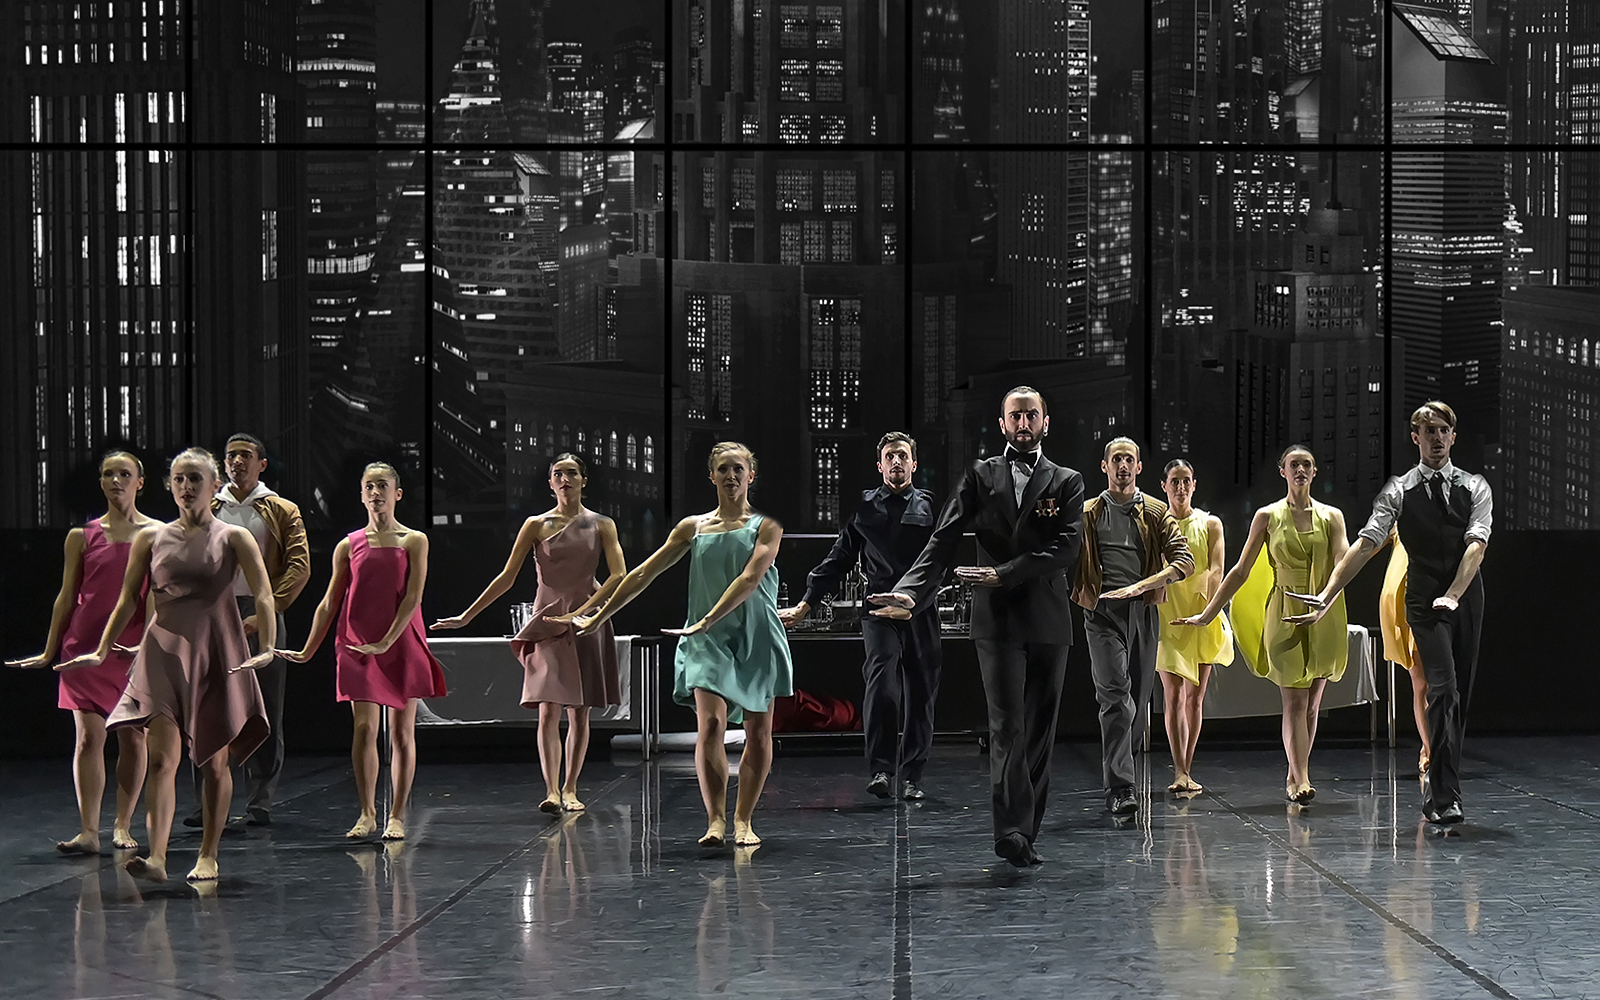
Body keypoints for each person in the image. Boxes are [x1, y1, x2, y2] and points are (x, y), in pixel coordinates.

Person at [869, 387, 1085, 868]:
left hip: (1048, 618)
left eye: (1032, 415)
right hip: (997, 620)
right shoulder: (980, 475)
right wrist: (911, 591)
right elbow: (943, 538)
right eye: (1016, 416)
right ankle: (1010, 831)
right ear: (1002, 423)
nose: (1024, 423)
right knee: (1006, 726)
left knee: (1039, 731)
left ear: (1045, 423)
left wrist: (1004, 572)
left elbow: (1068, 548)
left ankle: (1027, 830)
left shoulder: (1068, 481)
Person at [59, 448, 275, 882]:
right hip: (161, 654)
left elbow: (264, 594)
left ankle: (208, 855)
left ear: (214, 486)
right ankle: (157, 858)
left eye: (195, 479)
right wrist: (102, 649)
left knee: (213, 762)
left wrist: (267, 645)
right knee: (161, 760)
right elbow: (127, 600)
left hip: (215, 653)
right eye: (178, 479)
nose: (186, 487)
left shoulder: (233, 537)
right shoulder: (152, 538)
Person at [572, 442, 792, 848]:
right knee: (711, 724)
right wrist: (601, 615)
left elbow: (749, 580)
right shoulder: (694, 527)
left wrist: (708, 617)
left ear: (750, 475)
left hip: (755, 633)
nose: (730, 476)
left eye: (738, 469)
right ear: (712, 476)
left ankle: (744, 820)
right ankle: (715, 820)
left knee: (759, 732)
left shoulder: (766, 527)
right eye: (723, 469)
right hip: (706, 639)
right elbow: (643, 574)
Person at [1286, 402, 1490, 826]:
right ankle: (1443, 796)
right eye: (1429, 431)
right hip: (1422, 598)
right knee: (1443, 689)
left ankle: (1444, 786)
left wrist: (1455, 594)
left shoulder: (1475, 487)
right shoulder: (1399, 490)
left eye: (1443, 430)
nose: (1437, 438)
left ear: (1453, 436)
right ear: (1416, 438)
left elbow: (1477, 546)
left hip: (1465, 595)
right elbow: (1366, 544)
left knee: (1461, 698)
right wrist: (1327, 594)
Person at [431, 452, 626, 815]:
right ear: (550, 483)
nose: (565, 479)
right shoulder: (536, 524)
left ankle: (570, 788)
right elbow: (507, 577)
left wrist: (582, 613)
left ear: (583, 480)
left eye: (572, 473)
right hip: (547, 621)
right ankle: (551, 790)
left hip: (585, 620)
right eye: (558, 474)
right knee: (548, 706)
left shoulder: (602, 524)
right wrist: (467, 615)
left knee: (579, 711)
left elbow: (619, 576)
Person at [1171, 445, 1349, 804]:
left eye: (1307, 465)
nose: (1300, 470)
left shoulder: (1332, 517)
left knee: (1313, 705)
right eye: (1294, 464)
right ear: (1283, 471)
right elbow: (1240, 571)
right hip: (1283, 612)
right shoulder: (1268, 516)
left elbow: (1344, 562)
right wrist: (1209, 613)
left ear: (1315, 472)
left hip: (1324, 611)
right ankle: (1302, 778)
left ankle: (1295, 771)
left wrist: (1325, 600)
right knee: (1294, 701)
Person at [279, 463, 446, 841]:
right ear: (361, 494)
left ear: (397, 493)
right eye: (369, 486)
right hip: (357, 642)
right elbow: (329, 602)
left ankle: (397, 815)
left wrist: (387, 641)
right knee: (365, 728)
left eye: (382, 486)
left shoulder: (413, 540)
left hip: (400, 640)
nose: (375, 493)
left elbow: (413, 597)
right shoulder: (349, 545)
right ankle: (368, 813)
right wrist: (307, 649)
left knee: (402, 732)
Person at [7, 451, 158, 854]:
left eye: (124, 474)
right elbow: (67, 595)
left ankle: (122, 824)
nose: (116, 480)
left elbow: (158, 595)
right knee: (89, 739)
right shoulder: (81, 536)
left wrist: (147, 643)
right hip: (83, 649)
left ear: (140, 482)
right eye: (108, 474)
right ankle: (89, 831)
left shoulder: (158, 534)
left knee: (133, 738)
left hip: (131, 650)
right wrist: (49, 649)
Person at [778, 432, 941, 801]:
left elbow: (939, 561)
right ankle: (882, 770)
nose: (896, 462)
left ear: (914, 464)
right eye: (890, 456)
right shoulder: (864, 507)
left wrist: (914, 600)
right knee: (882, 685)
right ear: (880, 465)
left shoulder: (930, 506)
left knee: (922, 693)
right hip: (879, 609)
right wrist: (806, 604)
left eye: (903, 456)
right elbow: (839, 558)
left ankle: (912, 777)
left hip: (919, 608)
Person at [184, 433, 309, 828]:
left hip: (261, 609)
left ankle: (260, 800)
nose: (236, 462)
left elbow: (299, 566)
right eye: (230, 456)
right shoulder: (209, 506)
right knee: (206, 705)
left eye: (244, 455)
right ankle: (207, 801)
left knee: (265, 706)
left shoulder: (281, 509)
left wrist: (268, 610)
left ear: (261, 464)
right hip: (214, 612)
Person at [1070, 438, 1195, 816]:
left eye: (1129, 459)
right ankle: (1120, 787)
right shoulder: (1088, 511)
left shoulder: (1155, 511)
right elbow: (1061, 550)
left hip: (1142, 611)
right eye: (1116, 459)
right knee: (1115, 697)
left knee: (1137, 703)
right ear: (1105, 466)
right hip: (1101, 612)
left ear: (1138, 467)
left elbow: (1184, 560)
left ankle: (1124, 767)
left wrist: (1143, 586)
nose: (1122, 465)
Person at [1153, 458, 1233, 797]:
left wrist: (1208, 610)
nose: (1181, 487)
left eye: (1186, 480)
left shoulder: (1210, 523)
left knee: (1195, 698)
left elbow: (1217, 568)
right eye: (1175, 481)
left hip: (1202, 613)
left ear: (1194, 484)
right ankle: (1180, 770)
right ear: (1164, 486)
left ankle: (1188, 766)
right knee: (1172, 694)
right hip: (1168, 615)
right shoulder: (1157, 523)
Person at [1378, 532, 1430, 776]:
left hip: (1435, 598)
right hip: (1406, 602)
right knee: (1421, 683)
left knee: (1441, 684)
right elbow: (1367, 545)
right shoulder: (1397, 519)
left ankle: (1435, 746)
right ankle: (1429, 747)